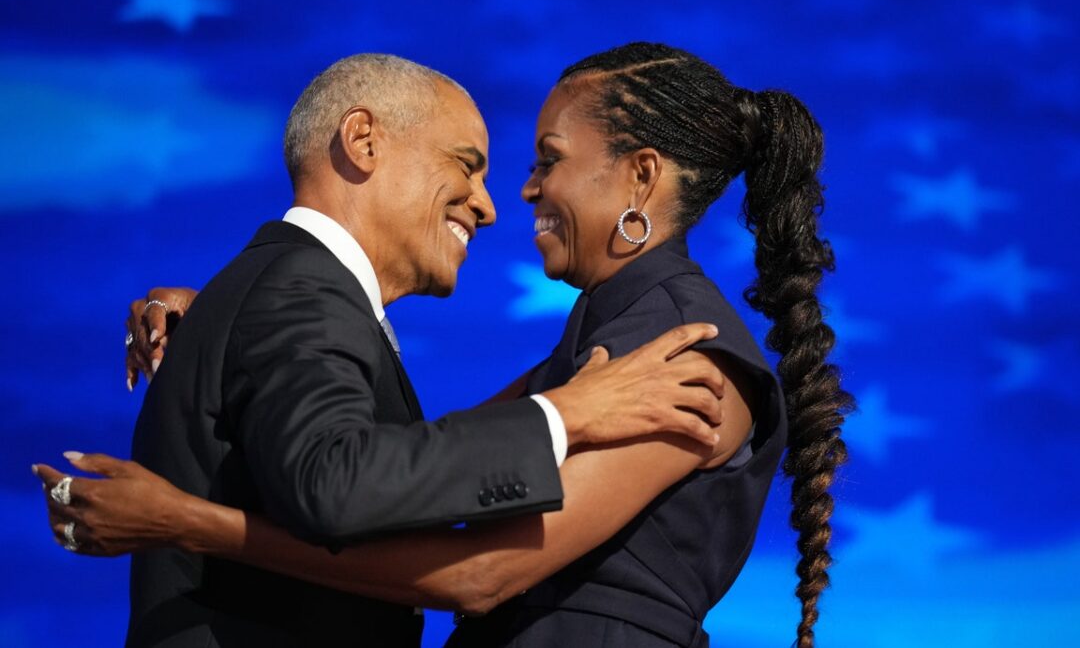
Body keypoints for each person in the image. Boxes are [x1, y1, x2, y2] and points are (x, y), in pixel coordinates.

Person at [39, 42, 852, 647]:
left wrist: (191, 519)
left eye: (547, 161)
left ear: (641, 177)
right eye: (493, 165)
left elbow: (477, 572)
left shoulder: (682, 350)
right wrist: (227, 318)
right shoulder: (606, 342)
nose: (518, 194)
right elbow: (411, 467)